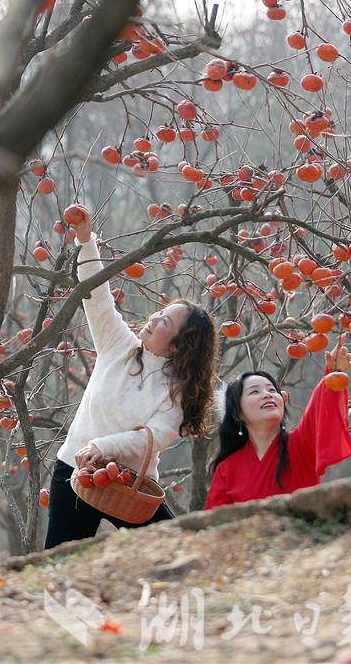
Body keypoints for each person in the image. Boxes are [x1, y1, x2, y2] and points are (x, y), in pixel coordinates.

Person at [45, 205, 220, 549]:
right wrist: (86, 241)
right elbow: (97, 297)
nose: (153, 319)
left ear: (178, 346)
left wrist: (102, 447)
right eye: (160, 313)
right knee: (58, 562)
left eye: (164, 322)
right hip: (76, 472)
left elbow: (148, 440)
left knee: (174, 550)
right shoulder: (118, 345)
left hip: (131, 485)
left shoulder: (179, 392)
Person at [205, 337, 351, 509]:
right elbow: (213, 521)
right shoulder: (226, 470)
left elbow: (318, 408)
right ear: (238, 413)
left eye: (272, 389)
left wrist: (333, 374)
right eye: (254, 391)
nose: (267, 394)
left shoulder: (300, 445)